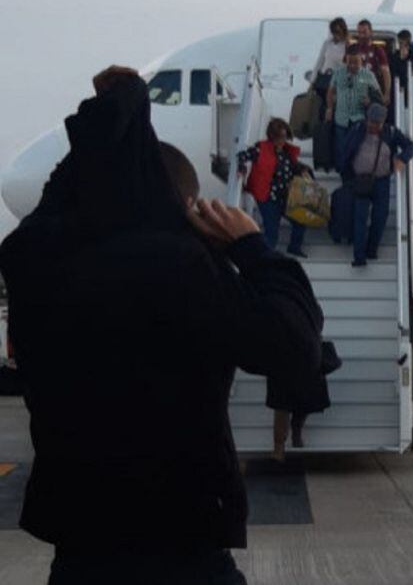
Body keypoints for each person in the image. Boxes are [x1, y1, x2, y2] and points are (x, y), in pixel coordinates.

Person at [0, 66, 323, 584]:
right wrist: (252, 250)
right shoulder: (184, 270)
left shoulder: (35, 266)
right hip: (184, 552)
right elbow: (296, 348)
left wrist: (114, 117)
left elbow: (64, 196)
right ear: (187, 207)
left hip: (80, 555)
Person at [341, 103, 413, 267]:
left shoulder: (391, 132)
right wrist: (347, 176)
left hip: (381, 181)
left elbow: (412, 146)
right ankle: (359, 257)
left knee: (380, 217)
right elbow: (345, 150)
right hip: (359, 179)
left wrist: (401, 158)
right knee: (359, 218)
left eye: (377, 123)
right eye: (371, 122)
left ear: (383, 122)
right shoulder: (357, 129)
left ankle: (372, 249)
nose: (373, 126)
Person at [237, 117, 311, 258]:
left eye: (285, 137)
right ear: (272, 136)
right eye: (280, 137)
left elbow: (294, 166)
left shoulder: (286, 153)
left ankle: (294, 248)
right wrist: (241, 169)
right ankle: (265, 258)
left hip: (284, 198)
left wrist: (304, 170)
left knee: (300, 221)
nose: (283, 141)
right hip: (267, 198)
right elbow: (243, 156)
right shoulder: (261, 148)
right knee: (272, 231)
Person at [326, 45, 382, 174]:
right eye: (350, 62)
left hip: (359, 119)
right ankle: (344, 178)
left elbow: (378, 96)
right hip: (341, 119)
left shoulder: (368, 75)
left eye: (355, 62)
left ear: (361, 60)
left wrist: (370, 102)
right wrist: (329, 109)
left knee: (357, 151)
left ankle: (356, 178)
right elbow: (330, 91)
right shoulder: (338, 73)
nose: (352, 65)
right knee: (341, 150)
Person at [310, 16, 349, 103]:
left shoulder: (346, 46)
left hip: (338, 82)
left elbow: (347, 66)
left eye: (338, 32)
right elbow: (320, 61)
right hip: (325, 79)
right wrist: (313, 80)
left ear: (343, 31)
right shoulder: (327, 43)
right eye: (333, 32)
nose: (335, 34)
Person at [387, 28, 413, 112]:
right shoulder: (395, 54)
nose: (399, 45)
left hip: (406, 89)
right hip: (394, 88)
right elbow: (392, 68)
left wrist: (403, 59)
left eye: (401, 43)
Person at [355, 18, 391, 98]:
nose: (361, 35)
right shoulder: (353, 49)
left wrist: (387, 94)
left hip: (372, 89)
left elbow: (385, 72)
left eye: (364, 32)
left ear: (371, 32)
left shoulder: (377, 50)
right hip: (355, 90)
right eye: (359, 32)